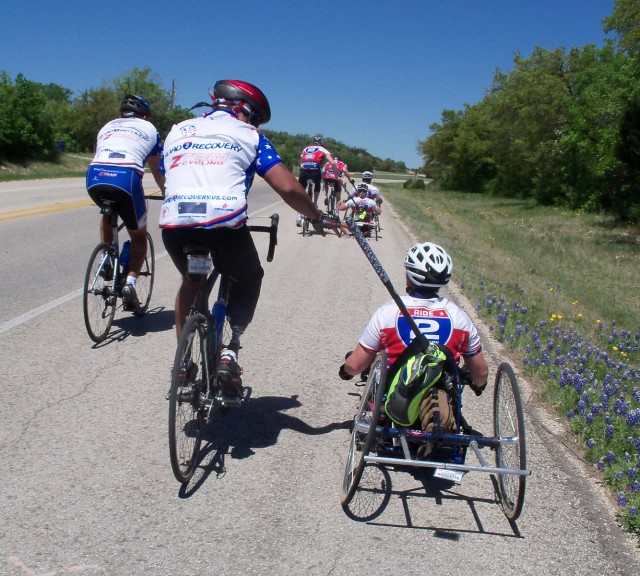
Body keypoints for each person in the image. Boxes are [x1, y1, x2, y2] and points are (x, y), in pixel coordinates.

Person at [159, 80, 327, 397]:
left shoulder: (178, 130)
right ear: (246, 111)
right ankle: (230, 350)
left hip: (175, 221)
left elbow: (174, 175)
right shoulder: (251, 136)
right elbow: (288, 188)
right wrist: (316, 216)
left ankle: (181, 363)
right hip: (223, 224)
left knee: (191, 280)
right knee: (249, 277)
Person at [339, 241, 488, 434]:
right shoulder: (460, 318)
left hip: (396, 395)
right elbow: (481, 373)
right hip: (443, 392)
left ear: (409, 276)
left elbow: (356, 365)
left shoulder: (388, 312)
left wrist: (346, 369)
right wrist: (478, 383)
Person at [86, 94, 166, 312]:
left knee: (108, 212)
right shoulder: (150, 129)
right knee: (138, 236)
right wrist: (167, 193)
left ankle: (106, 258)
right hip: (126, 178)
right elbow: (158, 170)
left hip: (95, 176)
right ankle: (130, 282)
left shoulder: (107, 126)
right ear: (145, 115)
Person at [298, 136, 340, 208]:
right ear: (321, 143)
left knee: (301, 188)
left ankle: (300, 209)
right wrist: (336, 176)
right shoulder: (323, 149)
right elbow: (333, 163)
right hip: (315, 171)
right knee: (317, 185)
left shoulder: (306, 148)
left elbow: (301, 159)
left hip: (303, 170)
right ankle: (315, 202)